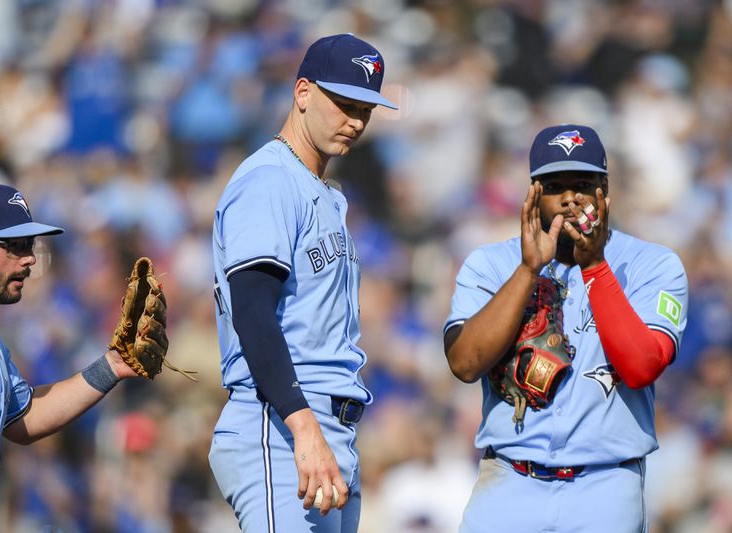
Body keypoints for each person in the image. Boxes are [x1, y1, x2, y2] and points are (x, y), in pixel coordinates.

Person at [444, 124, 688, 532]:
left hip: (605, 485)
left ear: (603, 190)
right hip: (509, 481)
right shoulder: (491, 264)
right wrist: (527, 271)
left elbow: (642, 367)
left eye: (583, 183)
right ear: (534, 193)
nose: (571, 197)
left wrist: (594, 266)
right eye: (555, 185)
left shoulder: (652, 264)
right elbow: (465, 363)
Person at [208, 33, 397, 532]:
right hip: (279, 424)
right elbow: (252, 311)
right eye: (344, 104)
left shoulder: (321, 191)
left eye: (366, 109)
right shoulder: (269, 181)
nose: (355, 121)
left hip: (324, 425)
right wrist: (301, 422)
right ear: (304, 92)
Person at [0, 184, 144, 533]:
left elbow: (25, 417)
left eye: (28, 245)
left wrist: (112, 365)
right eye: (13, 246)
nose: (29, 257)